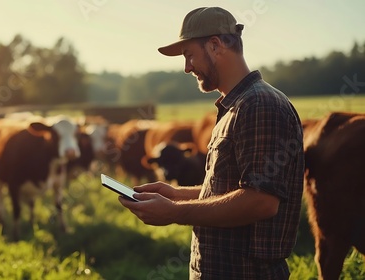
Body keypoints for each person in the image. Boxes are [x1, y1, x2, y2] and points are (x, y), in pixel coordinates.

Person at [118, 7, 304, 280]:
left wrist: (174, 212)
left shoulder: (259, 105)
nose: (187, 67)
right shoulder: (237, 106)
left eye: (189, 55)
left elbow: (261, 201)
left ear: (216, 46)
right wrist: (175, 194)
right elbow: (229, 190)